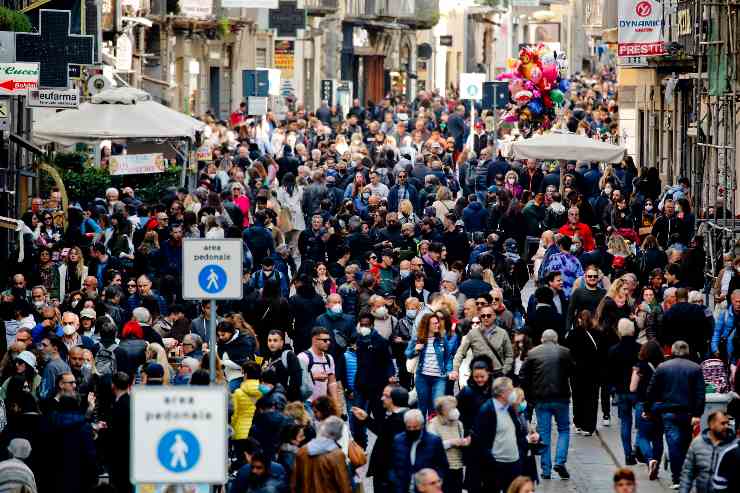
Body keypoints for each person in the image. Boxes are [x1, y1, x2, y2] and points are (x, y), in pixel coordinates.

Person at [645, 340, 706, 488]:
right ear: (688, 352)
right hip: (688, 412)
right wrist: (697, 414)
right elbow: (700, 393)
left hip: (668, 411)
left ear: (672, 351)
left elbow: (651, 391)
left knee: (673, 444)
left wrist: (648, 410)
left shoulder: (663, 367)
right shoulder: (695, 368)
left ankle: (677, 478)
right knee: (685, 444)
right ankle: (683, 475)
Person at [520, 329, 575, 480]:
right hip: (561, 397)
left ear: (542, 340)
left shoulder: (532, 353)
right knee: (563, 429)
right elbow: (572, 371)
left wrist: (529, 393)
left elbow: (523, 375)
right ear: (556, 340)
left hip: (541, 398)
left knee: (544, 433)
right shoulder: (564, 352)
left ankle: (545, 470)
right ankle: (560, 461)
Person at [470, 377, 527, 492]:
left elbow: (517, 432)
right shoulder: (487, 410)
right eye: (511, 390)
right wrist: (491, 461)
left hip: (514, 462)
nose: (514, 393)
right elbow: (481, 441)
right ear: (502, 393)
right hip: (496, 465)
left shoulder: (510, 408)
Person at [351, 385, 409, 492]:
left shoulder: (399, 420)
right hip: (386, 475)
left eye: (386, 396)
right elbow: (383, 432)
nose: (382, 398)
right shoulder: (397, 417)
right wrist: (366, 419)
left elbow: (387, 439)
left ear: (394, 399)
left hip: (387, 476)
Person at [388, 409, 449, 493]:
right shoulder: (398, 440)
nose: (412, 430)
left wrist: (434, 483)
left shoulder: (434, 442)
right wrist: (394, 482)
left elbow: (443, 466)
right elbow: (392, 465)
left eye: (415, 427)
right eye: (409, 427)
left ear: (422, 425)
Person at [607, 318, 641, 465]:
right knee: (641, 422)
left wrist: (612, 389)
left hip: (621, 390)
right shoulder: (640, 348)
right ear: (633, 331)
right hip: (638, 390)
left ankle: (628, 454)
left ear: (619, 332)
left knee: (625, 422)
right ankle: (638, 446)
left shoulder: (613, 350)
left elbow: (610, 373)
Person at [451, 303, 513, 380]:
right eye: (483, 316)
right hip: (478, 375)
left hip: (497, 374)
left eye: (489, 315)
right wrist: (455, 370)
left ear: (494, 316)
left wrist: (504, 371)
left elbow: (509, 355)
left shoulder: (502, 333)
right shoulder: (472, 334)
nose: (486, 318)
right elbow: (460, 353)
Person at [291, 415, 352, 493]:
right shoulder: (337, 455)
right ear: (338, 435)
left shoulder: (302, 450)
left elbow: (295, 482)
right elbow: (343, 484)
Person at [679, 410, 735, 493]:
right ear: (711, 424)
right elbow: (687, 472)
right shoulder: (697, 443)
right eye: (722, 423)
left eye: (728, 423)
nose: (726, 426)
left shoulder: (733, 446)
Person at [427, 396, 468, 493]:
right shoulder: (433, 425)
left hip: (458, 466)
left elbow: (461, 439)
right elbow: (432, 446)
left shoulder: (458, 424)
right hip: (442, 468)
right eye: (451, 409)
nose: (455, 411)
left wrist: (464, 442)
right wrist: (451, 442)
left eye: (455, 407)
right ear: (442, 411)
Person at [297, 327, 339, 404]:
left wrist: (336, 404)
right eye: (325, 340)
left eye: (329, 340)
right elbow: (297, 380)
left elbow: (332, 382)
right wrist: (313, 376)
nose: (328, 343)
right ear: (314, 340)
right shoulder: (303, 357)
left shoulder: (329, 358)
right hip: (307, 403)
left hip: (322, 404)